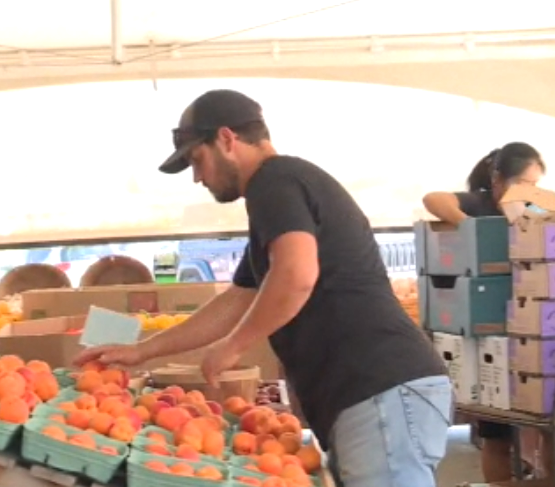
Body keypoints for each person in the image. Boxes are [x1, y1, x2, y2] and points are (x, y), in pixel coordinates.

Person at [76, 89, 451, 487]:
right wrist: (142, 351)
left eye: (197, 160)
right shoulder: (283, 191)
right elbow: (239, 298)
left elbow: (296, 275)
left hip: (379, 387)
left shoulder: (274, 181)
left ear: (226, 139)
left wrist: (234, 346)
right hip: (372, 392)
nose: (198, 177)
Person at [423, 142, 552, 482]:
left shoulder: (533, 212)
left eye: (535, 185)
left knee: (548, 430)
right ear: (497, 180)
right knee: (496, 439)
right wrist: (472, 228)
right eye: (523, 183)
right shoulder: (480, 204)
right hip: (490, 340)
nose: (529, 192)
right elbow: (434, 200)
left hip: (536, 334)